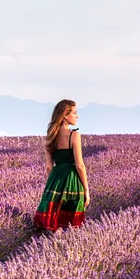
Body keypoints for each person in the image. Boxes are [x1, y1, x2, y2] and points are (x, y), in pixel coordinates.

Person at [34, 99, 90, 231]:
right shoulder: (74, 136)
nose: (77, 116)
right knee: (71, 223)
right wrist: (86, 190)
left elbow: (49, 167)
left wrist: (54, 183)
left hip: (55, 179)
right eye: (75, 113)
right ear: (65, 115)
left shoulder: (50, 137)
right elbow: (79, 165)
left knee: (54, 221)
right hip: (73, 180)